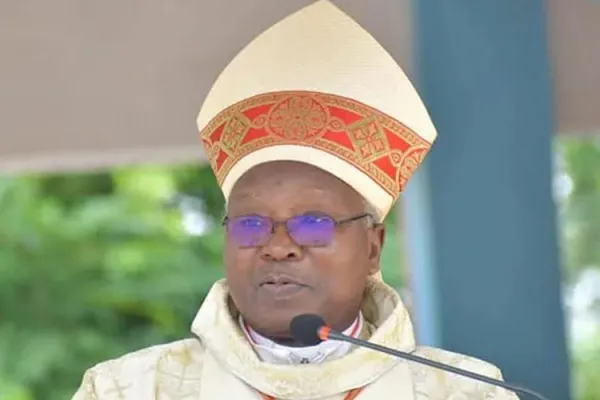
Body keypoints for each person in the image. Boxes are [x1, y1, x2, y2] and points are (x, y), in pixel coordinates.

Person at [73, 1, 518, 399]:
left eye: (313, 222)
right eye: (250, 224)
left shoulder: (464, 392)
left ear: (372, 248)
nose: (278, 245)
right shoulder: (132, 389)